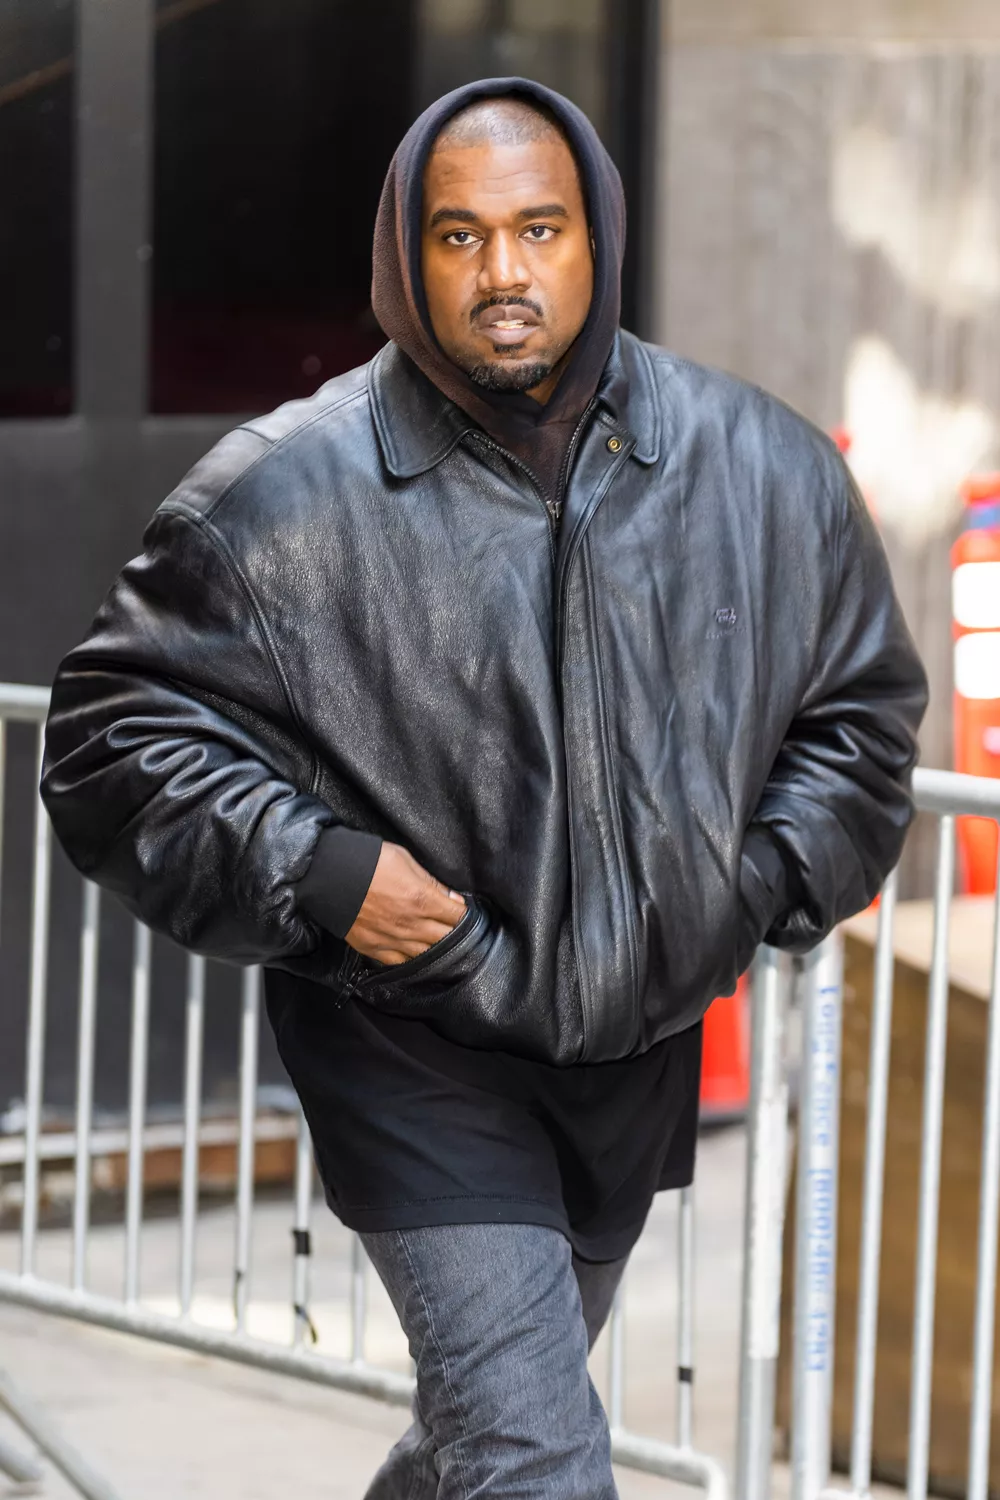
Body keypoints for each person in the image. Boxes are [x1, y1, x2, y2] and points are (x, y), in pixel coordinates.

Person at [42, 77, 927, 1499]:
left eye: (538, 230)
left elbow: (861, 719)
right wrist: (324, 874)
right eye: (460, 238)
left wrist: (743, 891)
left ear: (599, 238)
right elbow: (105, 741)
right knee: (535, 1461)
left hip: (630, 1051)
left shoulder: (759, 469)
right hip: (413, 1045)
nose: (503, 274)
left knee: (479, 1446)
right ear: (407, 253)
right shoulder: (282, 495)